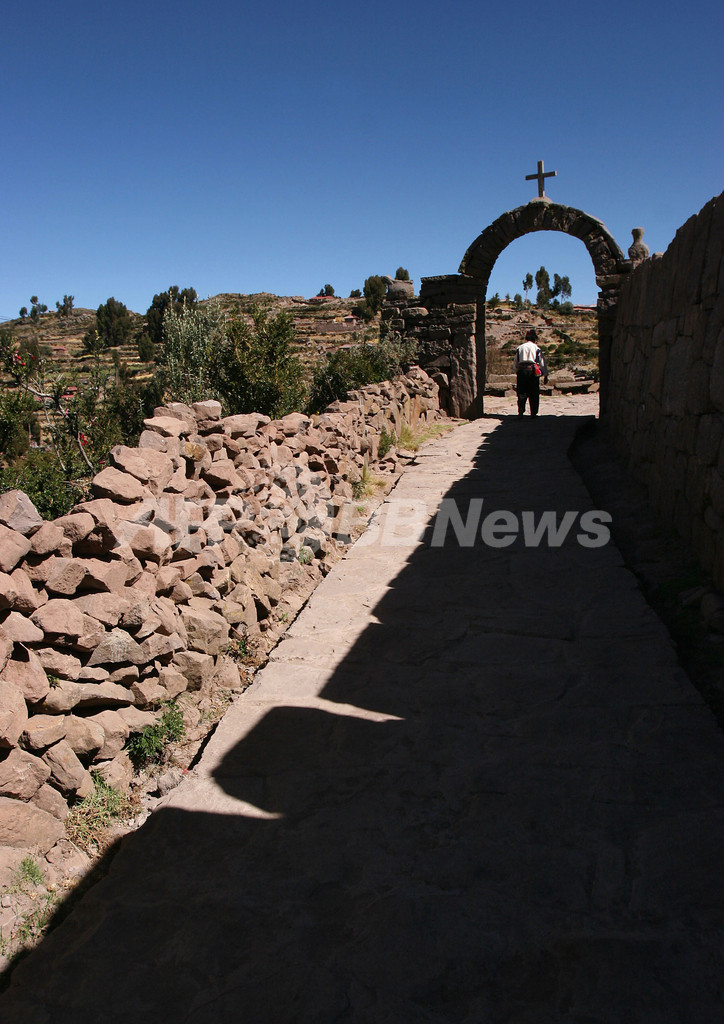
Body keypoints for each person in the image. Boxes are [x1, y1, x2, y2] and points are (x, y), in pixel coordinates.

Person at [513, 328, 549, 417]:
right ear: (534, 338)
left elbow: (516, 361)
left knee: (521, 392)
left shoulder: (520, 348)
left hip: (522, 371)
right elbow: (542, 362)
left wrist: (516, 370)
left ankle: (521, 411)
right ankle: (533, 413)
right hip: (533, 371)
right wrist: (545, 374)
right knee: (533, 392)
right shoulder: (536, 348)